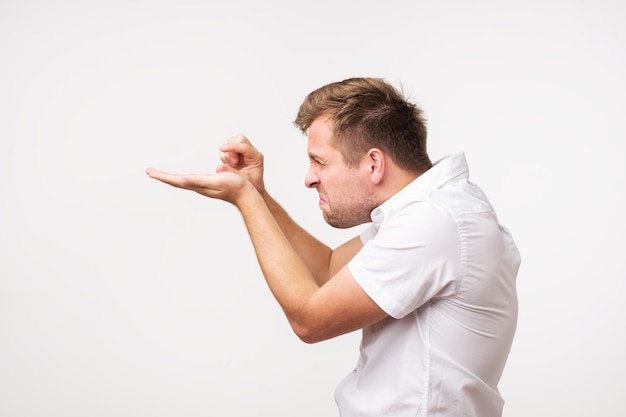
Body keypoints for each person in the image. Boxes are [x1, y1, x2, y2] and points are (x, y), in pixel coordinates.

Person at [146, 77, 521, 417]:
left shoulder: (433, 223)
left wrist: (246, 200)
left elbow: (309, 320)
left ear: (374, 164)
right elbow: (327, 269)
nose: (309, 179)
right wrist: (258, 194)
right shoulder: (427, 210)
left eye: (319, 162)